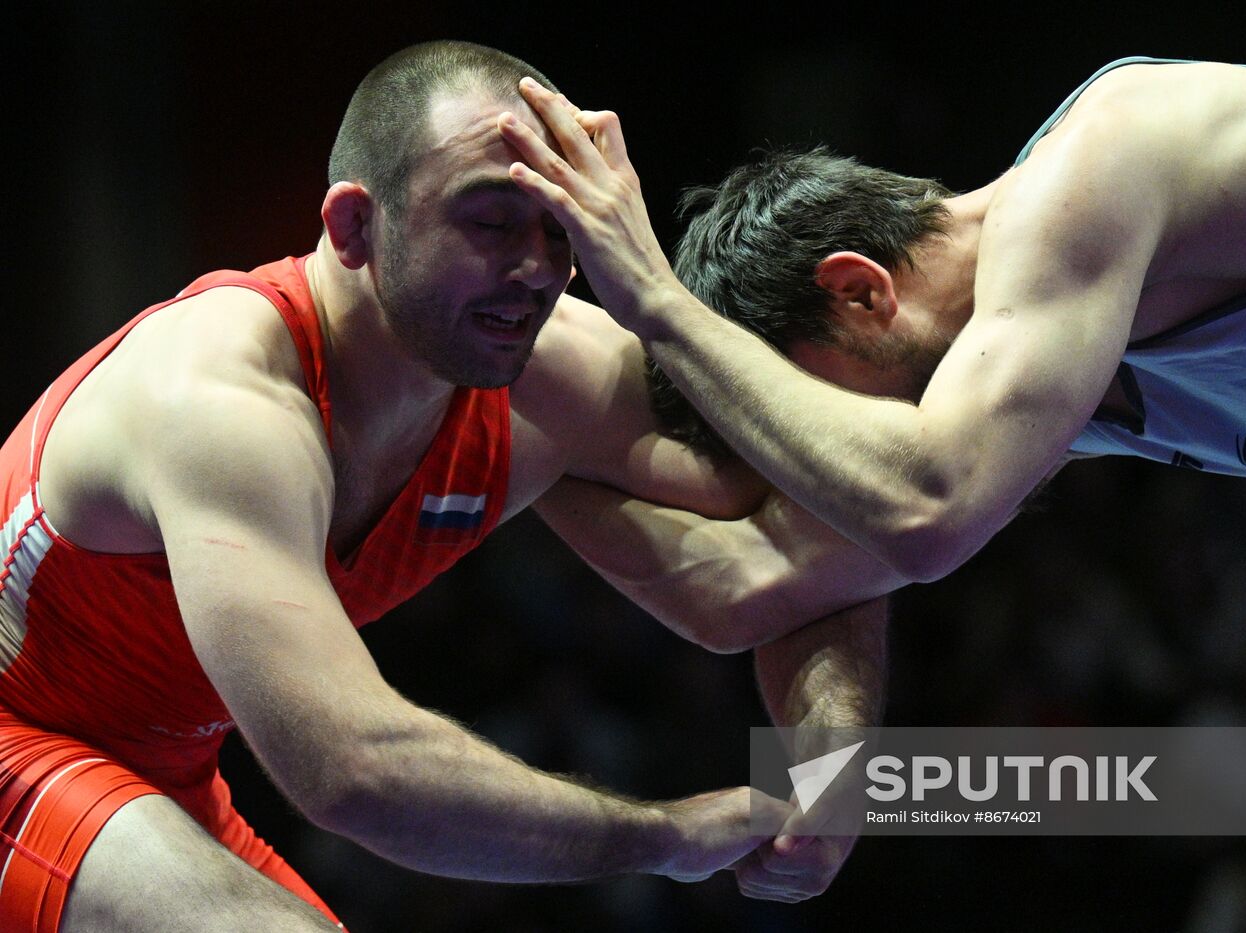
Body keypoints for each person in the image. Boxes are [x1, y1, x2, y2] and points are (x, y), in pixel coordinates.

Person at [0, 41, 894, 931]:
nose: (539, 270)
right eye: (492, 222)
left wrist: (831, 760)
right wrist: (664, 833)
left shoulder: (552, 375)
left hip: (160, 781)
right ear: (354, 227)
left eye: (562, 228)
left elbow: (828, 519)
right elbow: (353, 769)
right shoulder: (218, 398)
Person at [500, 58, 1246, 591]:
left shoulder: (1110, 159)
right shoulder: (1053, 378)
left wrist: (656, 305)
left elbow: (928, 507)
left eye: (828, 401)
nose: (852, 439)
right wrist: (533, 429)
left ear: (859, 292)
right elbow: (754, 583)